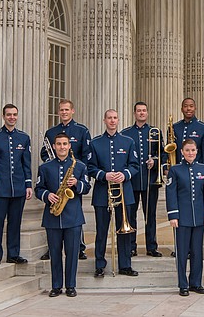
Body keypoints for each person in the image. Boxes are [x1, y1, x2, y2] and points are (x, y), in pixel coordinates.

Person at [35, 133, 91, 297]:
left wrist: (77, 184)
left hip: (73, 217)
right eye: (58, 144)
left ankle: (71, 286)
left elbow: (87, 187)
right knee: (55, 253)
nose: (62, 147)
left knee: (73, 253)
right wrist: (47, 195)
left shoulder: (79, 166)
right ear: (54, 146)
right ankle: (56, 286)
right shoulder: (45, 167)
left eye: (65, 144)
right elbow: (38, 188)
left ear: (69, 146)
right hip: (52, 216)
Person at [88, 109, 139, 278]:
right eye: (109, 118)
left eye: (115, 118)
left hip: (124, 193)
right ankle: (100, 264)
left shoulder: (128, 141)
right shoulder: (95, 143)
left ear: (118, 120)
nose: (112, 121)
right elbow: (90, 168)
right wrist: (104, 175)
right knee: (101, 230)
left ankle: (125, 265)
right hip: (102, 193)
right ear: (104, 120)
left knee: (124, 230)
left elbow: (135, 165)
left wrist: (124, 174)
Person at [40, 99, 91, 260]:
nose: (64, 112)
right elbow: (44, 153)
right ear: (58, 112)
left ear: (72, 111)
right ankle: (52, 247)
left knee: (74, 212)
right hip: (55, 179)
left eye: (67, 110)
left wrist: (79, 175)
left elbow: (86, 155)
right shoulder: (51, 132)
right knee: (53, 212)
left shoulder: (82, 130)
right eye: (61, 110)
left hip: (73, 178)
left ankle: (79, 246)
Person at [0, 104, 33, 267]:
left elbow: (27, 163)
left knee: (15, 221)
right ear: (3, 116)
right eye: (9, 115)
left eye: (14, 115)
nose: (12, 117)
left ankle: (13, 253)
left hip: (18, 187)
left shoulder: (24, 138)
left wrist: (28, 184)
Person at [166, 139, 204, 296]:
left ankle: (196, 283)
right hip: (182, 218)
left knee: (197, 252)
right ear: (182, 152)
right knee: (182, 252)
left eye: (193, 150)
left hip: (198, 217)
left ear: (197, 151)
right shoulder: (175, 170)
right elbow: (171, 193)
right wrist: (173, 215)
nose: (190, 153)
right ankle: (183, 284)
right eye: (187, 150)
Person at [121, 102, 164, 257]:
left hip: (150, 181)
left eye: (144, 111)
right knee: (131, 214)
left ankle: (151, 246)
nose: (141, 113)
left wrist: (156, 161)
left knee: (150, 215)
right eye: (139, 111)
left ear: (147, 113)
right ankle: (131, 246)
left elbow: (163, 153)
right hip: (132, 181)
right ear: (134, 113)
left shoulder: (155, 132)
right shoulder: (125, 133)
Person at [172, 98, 204, 173]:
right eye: (185, 106)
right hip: (178, 171)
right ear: (181, 109)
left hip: (197, 172)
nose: (188, 109)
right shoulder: (175, 127)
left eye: (191, 106)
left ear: (195, 108)